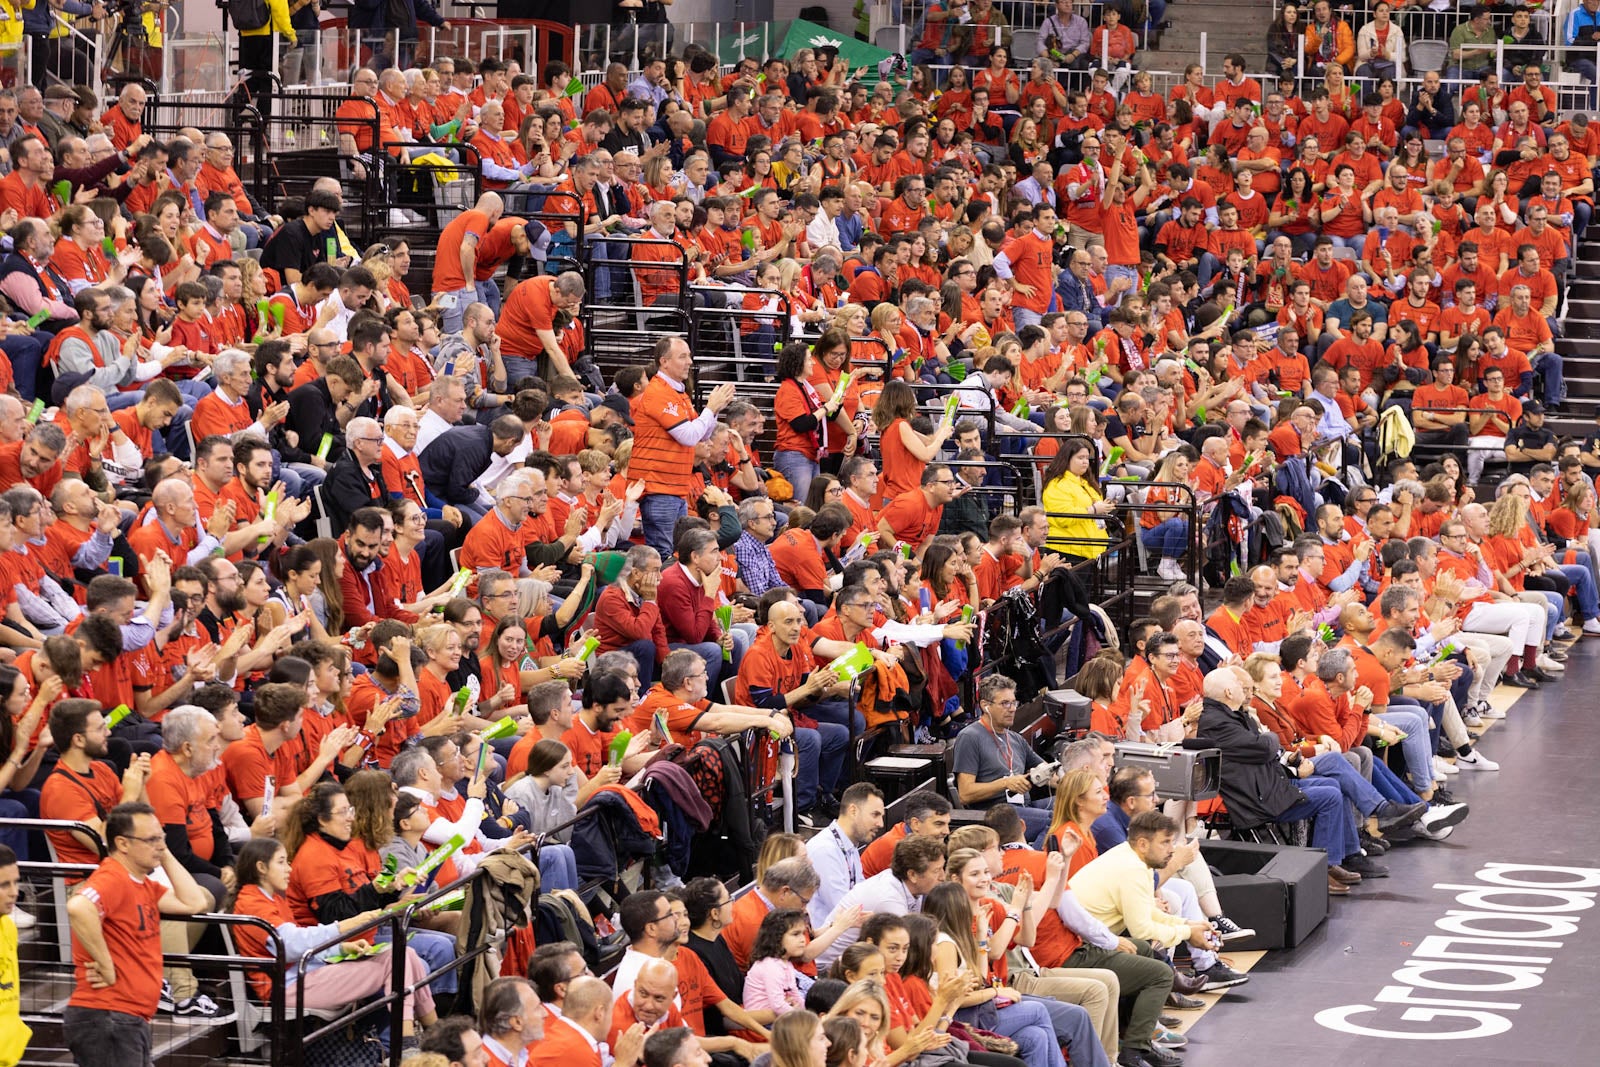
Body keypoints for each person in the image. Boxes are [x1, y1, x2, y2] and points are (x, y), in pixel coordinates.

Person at [63, 803, 212, 1067]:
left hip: (127, 1019)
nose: (160, 845)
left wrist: (163, 851)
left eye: (161, 837)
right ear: (123, 843)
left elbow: (195, 902)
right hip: (108, 1016)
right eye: (151, 839)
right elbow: (79, 906)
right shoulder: (112, 877)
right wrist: (106, 964)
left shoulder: (143, 884)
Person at [953, 673, 1055, 839]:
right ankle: (1036, 864)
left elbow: (1049, 773)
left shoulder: (1015, 738)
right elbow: (965, 794)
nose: (1013, 708)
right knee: (1055, 822)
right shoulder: (969, 737)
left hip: (1023, 806)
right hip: (995, 815)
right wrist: (1006, 783)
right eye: (1005, 703)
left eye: (1013, 702)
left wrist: (1073, 780)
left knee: (1072, 805)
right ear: (985, 705)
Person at [804, 782, 886, 930]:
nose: (880, 824)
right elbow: (844, 909)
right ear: (853, 811)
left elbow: (860, 896)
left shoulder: (850, 844)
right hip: (827, 944)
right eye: (875, 815)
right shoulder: (824, 850)